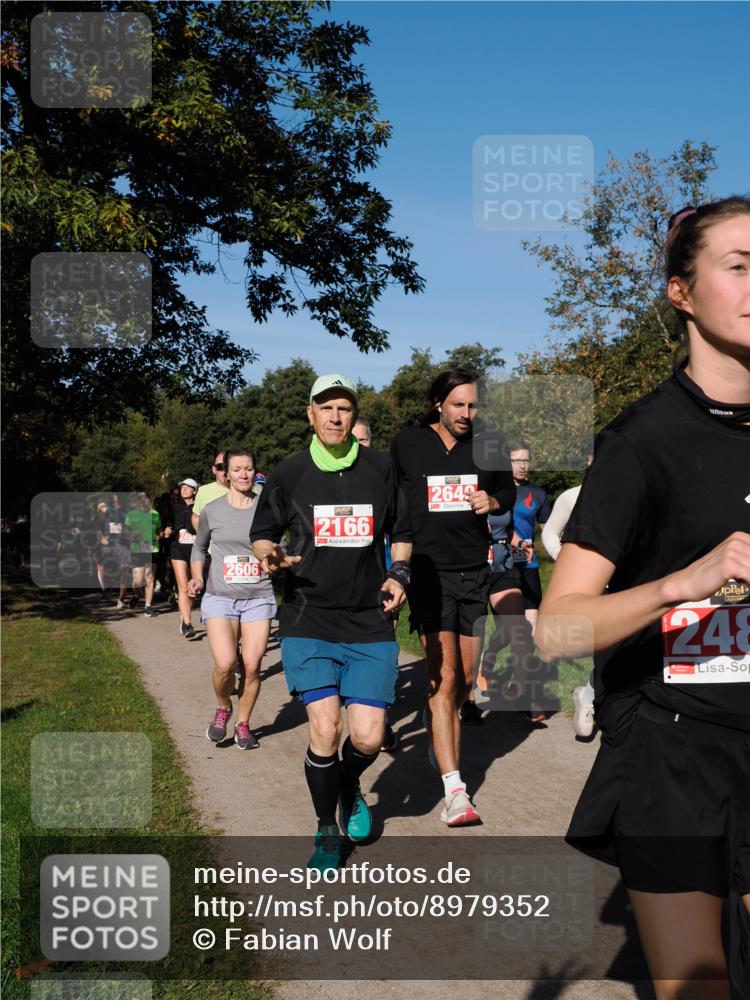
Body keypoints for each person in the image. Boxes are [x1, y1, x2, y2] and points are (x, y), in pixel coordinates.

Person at [536, 197, 750, 1000]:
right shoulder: (640, 442)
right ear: (681, 293)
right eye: (738, 265)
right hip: (675, 749)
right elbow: (558, 628)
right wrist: (680, 586)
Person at [251, 374, 412, 871]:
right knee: (324, 725)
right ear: (311, 415)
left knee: (365, 737)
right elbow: (262, 533)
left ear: (353, 415)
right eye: (326, 408)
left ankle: (348, 781)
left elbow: (402, 532)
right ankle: (325, 830)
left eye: (344, 408)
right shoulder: (290, 472)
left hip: (368, 618)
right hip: (307, 616)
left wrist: (399, 573)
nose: (335, 416)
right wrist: (269, 555)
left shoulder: (381, 468)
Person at [391, 369, 516, 826]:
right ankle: (455, 791)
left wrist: (493, 502)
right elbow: (394, 500)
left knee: (464, 680)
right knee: (441, 681)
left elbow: (507, 490)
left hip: (472, 571)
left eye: (474, 405)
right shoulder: (407, 443)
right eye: (459, 404)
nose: (467, 413)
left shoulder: (490, 442)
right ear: (438, 403)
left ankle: (438, 736)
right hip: (426, 571)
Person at [188, 449, 275, 750]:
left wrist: (275, 557)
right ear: (225, 473)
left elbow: (281, 542)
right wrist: (197, 576)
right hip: (220, 596)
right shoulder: (213, 509)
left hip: (258, 596)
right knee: (225, 664)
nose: (243, 475)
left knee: (252, 666)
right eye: (236, 470)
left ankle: (243, 724)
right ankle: (223, 706)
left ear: (255, 471)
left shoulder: (267, 507)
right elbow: (199, 548)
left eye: (248, 469)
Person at [541, 455, 596, 737]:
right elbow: (550, 533)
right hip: (584, 584)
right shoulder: (572, 497)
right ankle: (587, 698)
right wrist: (566, 561)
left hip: (625, 580)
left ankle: (588, 695)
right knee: (600, 644)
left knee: (617, 647)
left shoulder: (631, 494)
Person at [508, 443, 551, 631]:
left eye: (525, 460)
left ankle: (526, 659)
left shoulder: (539, 494)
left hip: (527, 563)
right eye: (517, 461)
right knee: (509, 625)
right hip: (501, 563)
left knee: (533, 621)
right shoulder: (496, 492)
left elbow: (548, 530)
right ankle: (489, 656)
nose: (522, 465)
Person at [168, 478, 199, 637]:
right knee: (182, 587)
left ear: (195, 491)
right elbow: (168, 524)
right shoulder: (174, 507)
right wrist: (167, 529)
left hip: (196, 550)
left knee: (193, 589)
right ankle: (187, 624)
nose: (184, 490)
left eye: (188, 488)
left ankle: (184, 612)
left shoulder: (201, 506)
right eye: (182, 488)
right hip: (178, 549)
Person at [124, 492, 161, 617]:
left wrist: (160, 535)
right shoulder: (132, 514)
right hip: (137, 549)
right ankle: (136, 594)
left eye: (146, 498)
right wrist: (131, 536)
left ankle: (148, 607)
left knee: (150, 578)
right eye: (141, 498)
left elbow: (158, 530)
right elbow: (126, 530)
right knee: (138, 581)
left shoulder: (155, 514)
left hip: (152, 549)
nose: (144, 500)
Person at [191, 452, 229, 533]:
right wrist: (204, 537)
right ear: (214, 470)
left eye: (228, 467)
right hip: (212, 545)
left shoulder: (250, 490)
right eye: (221, 467)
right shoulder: (203, 491)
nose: (225, 471)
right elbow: (196, 517)